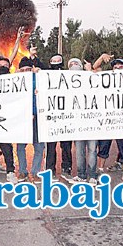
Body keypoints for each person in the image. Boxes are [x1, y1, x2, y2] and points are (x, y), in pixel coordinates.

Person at [92, 54, 123, 184]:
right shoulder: (106, 78)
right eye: (115, 66)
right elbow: (94, 68)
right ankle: (100, 170)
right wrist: (101, 58)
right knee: (103, 146)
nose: (118, 68)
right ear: (112, 69)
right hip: (107, 119)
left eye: (121, 66)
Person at [67, 58, 98, 186]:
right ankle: (81, 175)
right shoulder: (65, 82)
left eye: (76, 64)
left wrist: (90, 71)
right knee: (79, 150)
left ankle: (92, 176)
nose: (74, 65)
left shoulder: (90, 77)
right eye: (71, 64)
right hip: (77, 122)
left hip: (91, 121)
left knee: (92, 149)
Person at [15, 57, 45, 183]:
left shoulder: (37, 79)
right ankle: (23, 171)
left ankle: (35, 172)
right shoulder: (15, 80)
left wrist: (40, 72)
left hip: (37, 117)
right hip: (21, 118)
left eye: (28, 69)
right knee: (20, 147)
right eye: (23, 70)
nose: (26, 71)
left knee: (39, 146)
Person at [45, 53, 71, 182]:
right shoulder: (44, 76)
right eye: (53, 61)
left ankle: (67, 169)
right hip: (51, 117)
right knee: (51, 146)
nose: (56, 63)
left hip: (66, 117)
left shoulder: (69, 76)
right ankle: (50, 170)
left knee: (66, 146)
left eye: (58, 61)